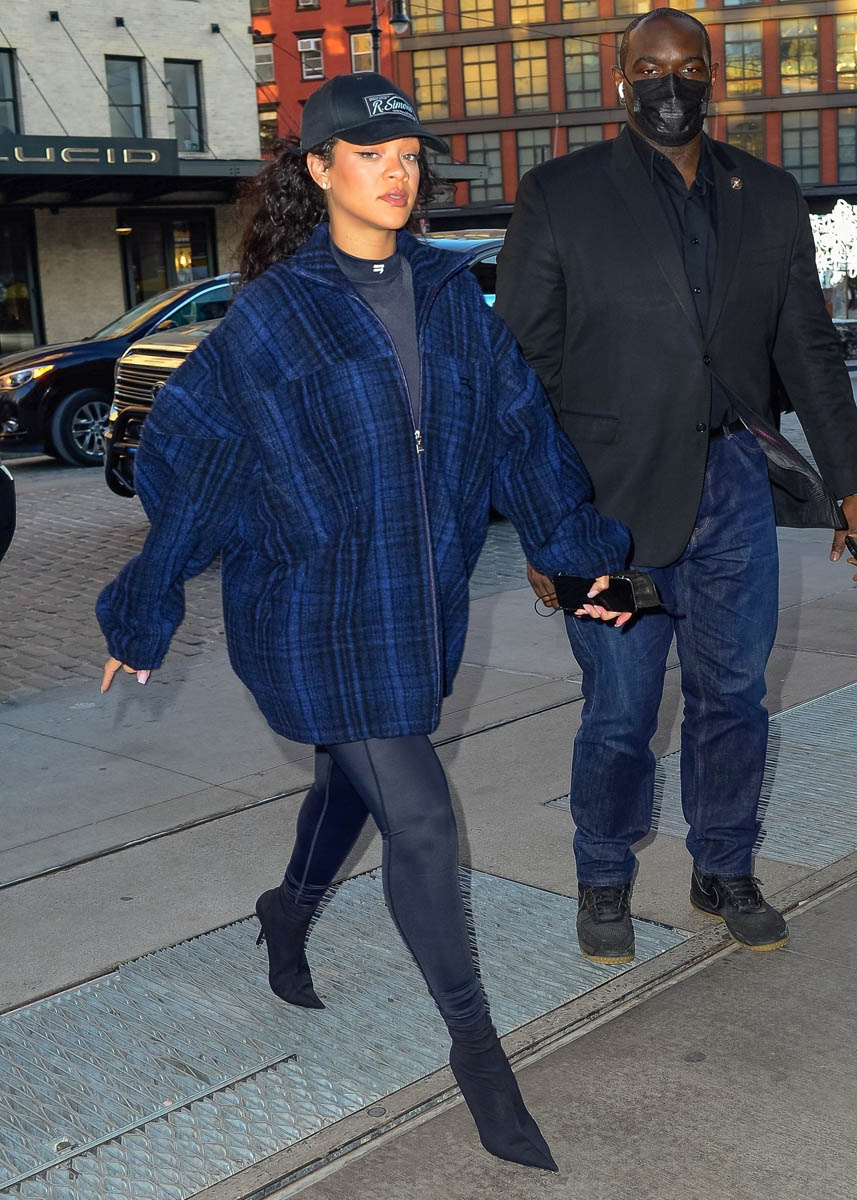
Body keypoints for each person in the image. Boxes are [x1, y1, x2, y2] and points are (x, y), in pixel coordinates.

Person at [96, 72, 633, 1171]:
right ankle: (478, 1057)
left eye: (409, 156)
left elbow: (520, 434)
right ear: (318, 167)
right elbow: (190, 459)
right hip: (311, 608)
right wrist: (147, 602)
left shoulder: (448, 296)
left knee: (360, 778)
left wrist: (579, 557)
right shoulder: (273, 314)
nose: (398, 174)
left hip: (412, 605)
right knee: (420, 815)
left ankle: (287, 911)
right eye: (371, 155)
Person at [496, 8, 857, 966]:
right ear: (620, 78)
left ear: (712, 78)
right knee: (620, 709)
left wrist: (849, 482)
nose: (670, 84)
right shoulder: (560, 194)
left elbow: (807, 349)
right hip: (605, 506)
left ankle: (724, 866)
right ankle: (602, 874)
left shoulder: (766, 194)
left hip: (733, 481)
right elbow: (519, 374)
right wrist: (544, 529)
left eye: (687, 67)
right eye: (650, 67)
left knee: (733, 695)